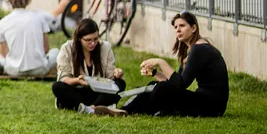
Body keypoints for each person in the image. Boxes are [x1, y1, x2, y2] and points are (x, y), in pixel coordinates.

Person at [96, 12, 228, 118]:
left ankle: (130, 110)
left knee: (161, 89)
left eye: (182, 26)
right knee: (154, 85)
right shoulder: (192, 50)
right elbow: (175, 82)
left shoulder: (200, 49)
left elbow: (181, 85)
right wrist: (155, 73)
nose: (178, 30)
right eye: (175, 27)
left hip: (211, 107)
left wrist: (161, 62)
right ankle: (124, 111)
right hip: (204, 101)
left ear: (193, 28)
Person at [51, 18, 126, 112]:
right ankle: (96, 108)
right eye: (88, 40)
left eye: (95, 39)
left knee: (120, 83)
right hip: (78, 91)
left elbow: (110, 78)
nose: (93, 43)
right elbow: (64, 78)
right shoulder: (67, 48)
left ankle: (93, 108)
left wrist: (116, 73)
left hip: (98, 92)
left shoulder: (105, 47)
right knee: (57, 86)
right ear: (79, 39)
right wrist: (77, 80)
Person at [0, 0, 58, 77]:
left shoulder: (2, 22)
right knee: (56, 51)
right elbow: (46, 49)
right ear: (28, 1)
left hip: (14, 70)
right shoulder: (39, 18)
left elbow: (4, 54)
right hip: (40, 69)